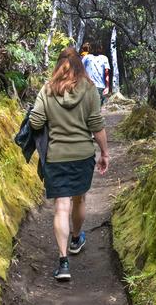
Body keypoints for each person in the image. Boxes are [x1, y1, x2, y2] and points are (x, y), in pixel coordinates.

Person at [30, 47, 110, 282]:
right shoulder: (89, 90)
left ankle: (63, 262)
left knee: (61, 207)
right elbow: (96, 125)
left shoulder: (47, 89)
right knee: (80, 199)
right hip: (83, 155)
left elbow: (35, 121)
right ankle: (76, 239)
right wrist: (104, 152)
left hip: (56, 157)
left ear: (58, 65)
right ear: (79, 66)